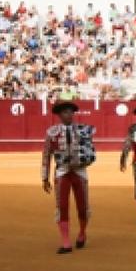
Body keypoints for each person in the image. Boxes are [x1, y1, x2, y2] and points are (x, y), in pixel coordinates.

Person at [41, 101, 97, 254]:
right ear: (59, 115)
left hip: (79, 172)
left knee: (83, 206)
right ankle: (66, 242)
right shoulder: (52, 132)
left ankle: (82, 232)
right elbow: (46, 155)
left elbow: (91, 152)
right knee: (62, 207)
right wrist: (44, 177)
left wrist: (86, 160)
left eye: (71, 112)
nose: (69, 115)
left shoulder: (84, 130)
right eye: (65, 112)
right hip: (62, 172)